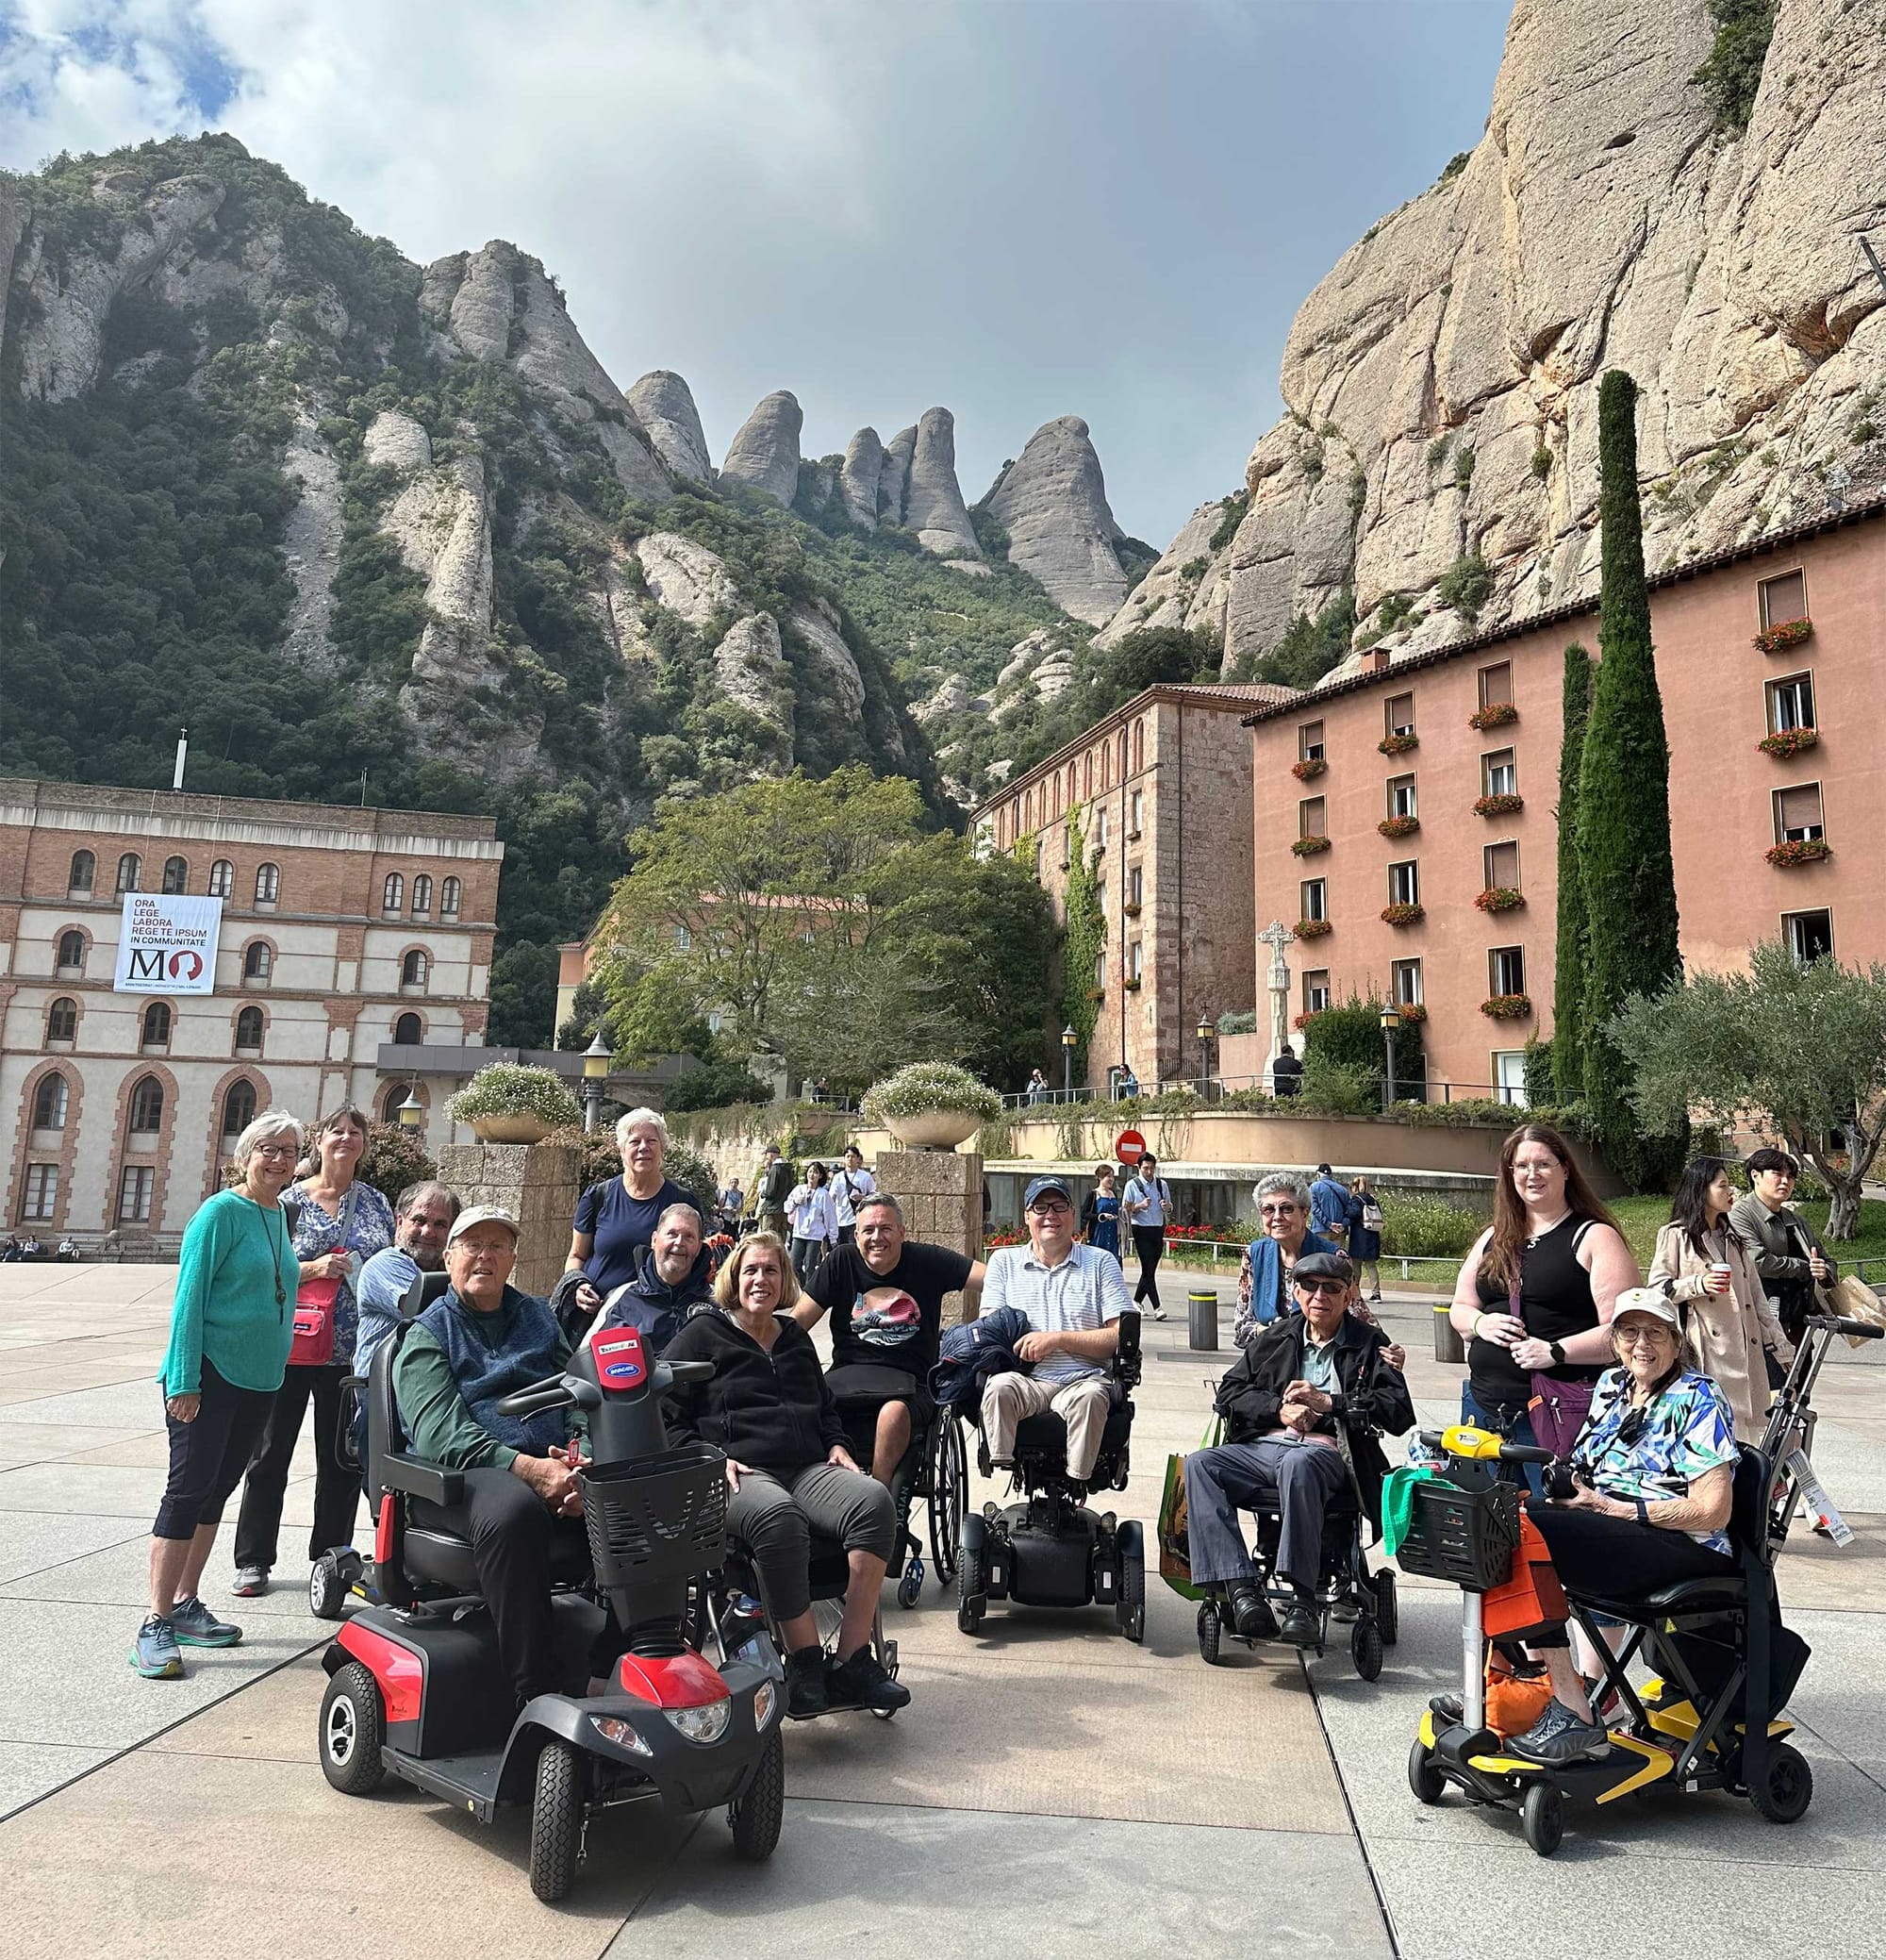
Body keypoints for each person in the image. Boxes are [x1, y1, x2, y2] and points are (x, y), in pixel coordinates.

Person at [662, 1234, 908, 1718]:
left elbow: (825, 1407)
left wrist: (838, 1444)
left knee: (874, 1501)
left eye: (771, 1271)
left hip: (807, 1466)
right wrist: (708, 1455)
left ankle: (855, 1658)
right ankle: (805, 1663)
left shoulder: (793, 1337)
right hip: (738, 1472)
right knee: (779, 1517)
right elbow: (666, 1419)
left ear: (784, 1280)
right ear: (734, 1276)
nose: (761, 1280)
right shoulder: (701, 1336)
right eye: (751, 1270)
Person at [1498, 1288, 1741, 1766]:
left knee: (1523, 1532)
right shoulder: (1612, 1385)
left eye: (1655, 1333)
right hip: (1615, 1527)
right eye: (1629, 1331)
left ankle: (1574, 1709)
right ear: (1614, 1340)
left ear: (1677, 1343)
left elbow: (1714, 1511)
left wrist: (1612, 1509)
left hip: (1681, 1543)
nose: (1641, 1344)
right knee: (1497, 1520)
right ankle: (1513, 1688)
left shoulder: (1698, 1395)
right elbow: (1588, 1466)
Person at [391, 1207, 591, 1706]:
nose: (485, 1256)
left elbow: (579, 1397)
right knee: (515, 1510)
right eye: (472, 1245)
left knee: (638, 1493)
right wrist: (529, 1471)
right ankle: (534, 1691)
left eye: (498, 1246)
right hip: (463, 1480)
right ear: (450, 1256)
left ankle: (622, 1663)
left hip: (554, 1466)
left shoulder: (540, 1318)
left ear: (513, 1259)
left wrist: (578, 1460)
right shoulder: (426, 1334)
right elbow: (443, 1437)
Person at [134, 1111, 306, 1678]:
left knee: (217, 1491)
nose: (277, 1159)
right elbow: (189, 1298)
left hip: (259, 1380)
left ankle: (186, 1605)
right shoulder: (219, 1213)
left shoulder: (279, 1212)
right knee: (186, 1493)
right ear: (246, 1152)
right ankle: (155, 1621)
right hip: (208, 1375)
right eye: (267, 1149)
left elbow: (269, 1284)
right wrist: (183, 1380)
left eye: (287, 1150)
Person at [1185, 1253, 1414, 1645]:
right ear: (1295, 1292)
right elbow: (1231, 1390)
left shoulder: (1369, 1343)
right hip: (1265, 1446)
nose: (1319, 1295)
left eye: (1331, 1288)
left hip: (1329, 1452)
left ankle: (1302, 1599)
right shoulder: (1276, 1337)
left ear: (1347, 1296)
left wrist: (1329, 1404)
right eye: (1309, 1286)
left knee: (1299, 1461)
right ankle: (1242, 1589)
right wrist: (1280, 1409)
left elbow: (1397, 1412)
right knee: (1200, 1465)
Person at [231, 1104, 393, 1598]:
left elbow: (389, 1264)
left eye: (355, 1132)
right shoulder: (287, 1202)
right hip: (290, 1346)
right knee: (269, 1454)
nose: (345, 1139)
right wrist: (315, 1268)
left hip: (350, 1350)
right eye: (335, 1131)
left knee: (340, 1461)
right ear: (318, 1143)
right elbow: (263, 1269)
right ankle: (253, 1559)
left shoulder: (376, 1203)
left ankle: (332, 1559)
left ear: (363, 1144)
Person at [1447, 1122, 1639, 1492]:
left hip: (1556, 1414)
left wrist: (1555, 1351)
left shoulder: (1595, 1237)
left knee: (1553, 1528)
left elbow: (1625, 1333)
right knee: (1485, 1532)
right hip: (1483, 1410)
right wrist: (1480, 1322)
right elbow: (1460, 1307)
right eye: (1521, 1166)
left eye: (1543, 1164)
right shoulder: (1493, 1237)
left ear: (1565, 1169)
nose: (1531, 1174)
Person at [795, 1192, 984, 1482]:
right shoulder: (841, 1261)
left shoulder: (925, 1260)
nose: (876, 1238)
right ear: (856, 1235)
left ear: (901, 1232)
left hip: (912, 1383)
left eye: (885, 1229)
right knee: (801, 1403)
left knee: (893, 1414)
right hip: (847, 1377)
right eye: (868, 1230)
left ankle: (878, 1500)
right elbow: (797, 1324)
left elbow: (991, 1277)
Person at [978, 1175, 1133, 1488]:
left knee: (1091, 1397)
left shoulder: (1101, 1263)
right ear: (1027, 1216)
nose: (1051, 1215)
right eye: (1040, 1207)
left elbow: (1118, 1337)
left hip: (1083, 1379)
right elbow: (992, 1331)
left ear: (1073, 1213)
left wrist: (1057, 1339)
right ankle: (1002, 1460)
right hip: (1026, 1380)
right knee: (998, 1388)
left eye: (1059, 1206)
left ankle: (1079, 1478)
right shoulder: (1003, 1262)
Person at [1648, 1156, 1792, 1438]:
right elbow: (1657, 1289)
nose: (1731, 1192)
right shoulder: (1676, 1235)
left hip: (1745, 1352)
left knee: (1745, 1439)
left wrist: (1781, 1348)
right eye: (1723, 1185)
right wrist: (1698, 1284)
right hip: (1706, 1353)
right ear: (1701, 1189)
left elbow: (1757, 1301)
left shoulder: (1734, 1238)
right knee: (1709, 1434)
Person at [564, 1108, 697, 1335]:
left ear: (662, 1148)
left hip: (655, 1324)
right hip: (594, 1318)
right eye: (635, 1141)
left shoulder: (682, 1201)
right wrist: (577, 1285)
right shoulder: (598, 1196)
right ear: (622, 1149)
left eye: (651, 1141)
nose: (643, 1147)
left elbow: (695, 1262)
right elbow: (577, 1256)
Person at [354, 1181, 461, 1381]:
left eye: (440, 1224)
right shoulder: (385, 1264)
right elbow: (429, 1315)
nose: (428, 1232)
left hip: (430, 1386)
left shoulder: (449, 1268)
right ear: (400, 1222)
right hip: (384, 1395)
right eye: (419, 1220)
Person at [1729, 1147, 1833, 1351]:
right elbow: (1757, 1262)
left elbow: (1827, 1262)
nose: (1785, 1182)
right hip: (1762, 1319)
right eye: (1777, 1174)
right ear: (1755, 1176)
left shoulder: (1796, 1221)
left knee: (1801, 1378)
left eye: (1791, 1176)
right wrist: (1804, 1267)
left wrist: (1824, 1272)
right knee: (1772, 1379)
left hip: (1799, 1318)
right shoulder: (1739, 1215)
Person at [590, 1202, 715, 1355]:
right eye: (672, 1234)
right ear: (654, 1240)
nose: (679, 1242)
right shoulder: (621, 1298)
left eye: (689, 1237)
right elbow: (587, 1361)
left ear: (698, 1248)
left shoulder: (716, 1302)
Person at [1233, 1172, 1339, 1347]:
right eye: (1268, 1209)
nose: (1276, 1217)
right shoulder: (1254, 1255)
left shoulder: (1333, 1258)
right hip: (1269, 1360)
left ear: (1305, 1213)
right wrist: (1271, 1332)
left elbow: (1358, 1320)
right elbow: (1242, 1327)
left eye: (1287, 1208)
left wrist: (1387, 1351)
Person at [1121, 1154, 1172, 1321]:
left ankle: (1136, 1301)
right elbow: (1125, 1209)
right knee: (1147, 1268)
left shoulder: (1161, 1184)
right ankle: (1158, 1307)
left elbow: (1170, 1206)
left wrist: (1167, 1206)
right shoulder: (1132, 1185)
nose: (1149, 1172)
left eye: (1151, 1168)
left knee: (1149, 1269)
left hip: (1157, 1227)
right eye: (1145, 1168)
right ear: (1139, 1168)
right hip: (1140, 1228)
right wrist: (1139, 1206)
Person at [785, 1158, 838, 1282]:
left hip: (815, 1235)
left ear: (820, 1176)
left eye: (815, 1172)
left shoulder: (823, 1194)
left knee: (810, 1266)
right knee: (794, 1265)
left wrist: (832, 1237)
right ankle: (802, 1287)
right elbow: (786, 1208)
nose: (811, 1175)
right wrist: (794, 1202)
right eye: (810, 1172)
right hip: (799, 1232)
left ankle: (810, 1291)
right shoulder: (799, 1189)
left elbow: (830, 1216)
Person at [1346, 1176, 1383, 1304]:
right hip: (1373, 1235)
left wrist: (1346, 1212)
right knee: (1371, 1265)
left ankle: (1356, 1291)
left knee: (1356, 1264)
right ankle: (1376, 1292)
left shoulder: (1357, 1199)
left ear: (1354, 1187)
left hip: (1359, 1237)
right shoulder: (1373, 1199)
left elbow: (1354, 1214)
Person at [831, 1144, 877, 1248]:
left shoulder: (865, 1177)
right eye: (848, 1156)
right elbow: (831, 1199)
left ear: (857, 1159)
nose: (850, 1159)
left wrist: (863, 1198)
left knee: (854, 1248)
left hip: (857, 1218)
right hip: (840, 1218)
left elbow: (874, 1195)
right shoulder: (838, 1177)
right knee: (840, 1249)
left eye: (853, 1156)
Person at [1081, 1164, 1122, 1263]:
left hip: (1112, 1232)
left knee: (1112, 1260)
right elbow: (1084, 1213)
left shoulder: (1114, 1194)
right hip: (1098, 1233)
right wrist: (1101, 1216)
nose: (1111, 1179)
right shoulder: (1094, 1194)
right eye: (1108, 1176)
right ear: (1100, 1177)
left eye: (1112, 1176)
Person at [753, 1143, 795, 1238]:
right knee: (781, 1239)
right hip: (783, 1209)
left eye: (766, 1155)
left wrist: (763, 1194)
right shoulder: (788, 1169)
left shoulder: (775, 1168)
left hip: (772, 1209)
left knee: (768, 1238)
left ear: (771, 1155)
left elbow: (770, 1191)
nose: (766, 1158)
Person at [1309, 1163, 1349, 1249]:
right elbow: (1349, 1212)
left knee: (1321, 1259)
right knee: (1337, 1259)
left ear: (1318, 1174)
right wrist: (1342, 1224)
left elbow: (1315, 1209)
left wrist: (1329, 1224)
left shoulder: (1314, 1187)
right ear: (1331, 1175)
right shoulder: (1343, 1190)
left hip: (1320, 1230)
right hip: (1339, 1231)